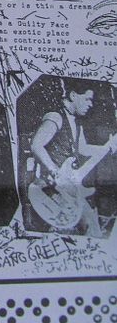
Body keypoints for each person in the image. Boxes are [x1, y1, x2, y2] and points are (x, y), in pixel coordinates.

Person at [28, 82, 115, 237]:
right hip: (49, 189)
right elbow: (36, 145)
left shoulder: (75, 121)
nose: (90, 104)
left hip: (64, 190)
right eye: (87, 99)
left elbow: (82, 149)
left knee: (89, 227)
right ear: (73, 95)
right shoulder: (56, 117)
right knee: (86, 228)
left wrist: (108, 148)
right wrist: (55, 171)